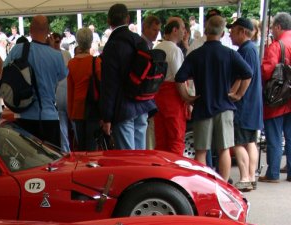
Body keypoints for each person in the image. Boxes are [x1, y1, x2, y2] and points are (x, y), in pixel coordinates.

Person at [175, 16, 252, 182]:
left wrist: (187, 97)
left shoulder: (195, 55)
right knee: (224, 149)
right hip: (224, 107)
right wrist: (238, 94)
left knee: (201, 151)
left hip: (203, 106)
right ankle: (223, 186)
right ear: (223, 33)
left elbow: (179, 78)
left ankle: (204, 185)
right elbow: (248, 73)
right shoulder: (230, 54)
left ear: (205, 31)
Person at [99, 3, 156, 150]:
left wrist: (107, 117)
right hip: (142, 104)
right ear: (128, 19)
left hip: (123, 108)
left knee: (128, 159)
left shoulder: (112, 46)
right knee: (140, 157)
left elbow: (109, 85)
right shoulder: (138, 41)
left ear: (109, 21)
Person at [4, 15, 68, 147]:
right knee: (52, 161)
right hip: (48, 116)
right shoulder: (56, 55)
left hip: (23, 114)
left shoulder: (17, 50)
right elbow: (62, 76)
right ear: (48, 31)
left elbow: (4, 72)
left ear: (30, 30)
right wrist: (54, 49)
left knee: (28, 163)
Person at [228, 17, 263, 190]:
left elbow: (244, 75)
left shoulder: (245, 51)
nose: (230, 34)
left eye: (233, 31)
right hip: (253, 103)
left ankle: (245, 178)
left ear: (243, 32)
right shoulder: (253, 49)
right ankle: (251, 176)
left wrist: (236, 94)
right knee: (250, 142)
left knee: (239, 142)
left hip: (244, 104)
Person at [260, 12, 291, 183]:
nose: (272, 30)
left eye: (272, 27)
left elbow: (266, 71)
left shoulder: (276, 46)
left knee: (274, 137)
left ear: (278, 27)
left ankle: (273, 173)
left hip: (278, 98)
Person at [153, 18, 187, 155]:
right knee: (176, 138)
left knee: (161, 139)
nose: (184, 32)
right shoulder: (175, 50)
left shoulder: (157, 48)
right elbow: (180, 78)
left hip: (157, 96)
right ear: (175, 30)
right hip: (172, 97)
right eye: (183, 28)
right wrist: (187, 98)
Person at [67, 27, 101, 150]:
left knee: (81, 147)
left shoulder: (71, 63)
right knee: (92, 147)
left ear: (77, 41)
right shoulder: (96, 62)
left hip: (77, 109)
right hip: (93, 108)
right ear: (91, 41)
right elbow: (101, 87)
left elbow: (70, 90)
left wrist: (70, 112)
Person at [49, 31, 72, 152]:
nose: (56, 44)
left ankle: (72, 150)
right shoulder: (49, 55)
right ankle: (65, 151)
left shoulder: (66, 54)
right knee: (62, 126)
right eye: (55, 42)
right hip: (57, 93)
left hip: (66, 90)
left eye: (58, 41)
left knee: (71, 123)